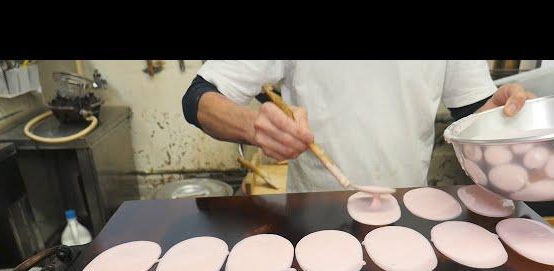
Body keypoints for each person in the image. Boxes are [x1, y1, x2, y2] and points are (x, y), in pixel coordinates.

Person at [182, 60, 535, 193]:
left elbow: (474, 111)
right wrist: (252, 124)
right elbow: (198, 97)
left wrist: (499, 111)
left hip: (407, 208)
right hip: (316, 214)